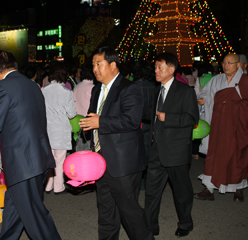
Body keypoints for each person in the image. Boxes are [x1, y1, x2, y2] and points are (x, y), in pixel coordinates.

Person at [0, 50, 61, 240]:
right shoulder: (33, 85)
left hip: (22, 162)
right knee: (15, 206)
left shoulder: (0, 88)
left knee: (34, 214)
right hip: (39, 157)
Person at [79, 46, 153, 240]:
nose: (95, 68)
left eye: (99, 64)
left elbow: (131, 120)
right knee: (105, 210)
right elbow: (93, 115)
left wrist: (99, 121)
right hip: (100, 160)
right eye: (93, 64)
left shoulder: (129, 88)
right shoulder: (96, 90)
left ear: (113, 65)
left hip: (122, 161)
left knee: (129, 212)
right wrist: (87, 125)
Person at [144, 52, 198, 238]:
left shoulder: (185, 91)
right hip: (156, 149)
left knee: (181, 192)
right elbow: (152, 116)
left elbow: (192, 118)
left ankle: (185, 223)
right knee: (151, 192)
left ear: (172, 69)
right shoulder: (156, 90)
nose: (156, 70)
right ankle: (151, 225)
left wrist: (169, 118)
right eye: (155, 67)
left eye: (160, 67)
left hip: (176, 150)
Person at [194, 53, 248, 202]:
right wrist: (204, 99)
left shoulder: (247, 82)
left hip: (237, 128)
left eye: (230, 63)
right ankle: (209, 188)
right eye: (224, 62)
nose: (226, 65)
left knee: (237, 157)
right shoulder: (216, 79)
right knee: (214, 156)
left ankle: (238, 189)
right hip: (218, 125)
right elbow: (207, 93)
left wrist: (232, 104)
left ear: (238, 65)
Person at [42, 61, 77, 195]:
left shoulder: (43, 90)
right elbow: (72, 113)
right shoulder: (67, 92)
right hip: (61, 129)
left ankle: (48, 185)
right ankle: (58, 186)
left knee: (49, 158)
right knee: (60, 159)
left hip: (47, 129)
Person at [132, 60, 155, 189]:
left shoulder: (131, 86)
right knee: (149, 154)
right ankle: (148, 182)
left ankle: (138, 182)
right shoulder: (154, 87)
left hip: (135, 125)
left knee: (136, 154)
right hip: (151, 124)